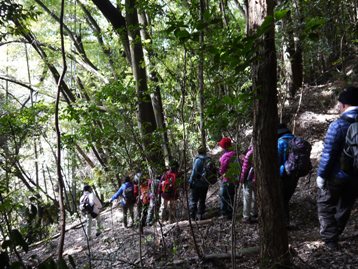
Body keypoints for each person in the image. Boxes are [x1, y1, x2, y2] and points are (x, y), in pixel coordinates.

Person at [316, 86, 358, 250]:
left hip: (337, 175)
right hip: (355, 177)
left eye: (339, 103)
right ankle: (335, 233)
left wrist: (321, 176)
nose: (338, 107)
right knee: (345, 206)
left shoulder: (339, 124)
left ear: (345, 105)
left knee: (325, 205)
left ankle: (331, 240)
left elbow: (328, 153)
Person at [277, 123, 299, 227]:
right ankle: (285, 222)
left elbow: (278, 160)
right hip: (295, 173)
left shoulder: (281, 142)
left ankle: (283, 223)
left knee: (281, 199)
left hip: (284, 173)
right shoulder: (296, 140)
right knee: (285, 198)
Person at [218, 137, 239, 220]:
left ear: (224, 146)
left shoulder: (225, 157)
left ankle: (224, 213)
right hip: (234, 179)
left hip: (227, 179)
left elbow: (222, 170)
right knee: (231, 196)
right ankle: (231, 212)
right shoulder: (234, 153)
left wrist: (220, 172)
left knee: (223, 196)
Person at [188, 146, 211, 220]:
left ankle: (192, 216)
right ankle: (200, 215)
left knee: (194, 200)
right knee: (202, 199)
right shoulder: (208, 159)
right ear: (205, 152)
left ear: (198, 152)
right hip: (205, 183)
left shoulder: (198, 160)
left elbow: (194, 172)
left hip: (197, 184)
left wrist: (190, 182)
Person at [240, 144, 258, 223]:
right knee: (255, 195)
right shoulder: (263, 150)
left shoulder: (250, 153)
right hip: (258, 178)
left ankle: (246, 217)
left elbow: (245, 168)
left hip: (249, 178)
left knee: (247, 196)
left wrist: (242, 179)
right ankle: (254, 212)